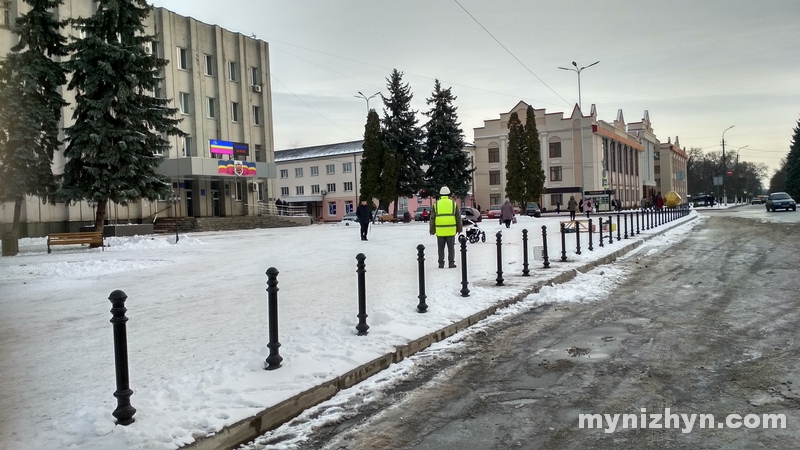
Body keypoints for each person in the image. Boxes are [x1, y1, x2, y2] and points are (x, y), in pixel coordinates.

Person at [429, 186, 462, 268]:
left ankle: (441, 264)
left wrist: (432, 230)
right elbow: (458, 217)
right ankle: (451, 263)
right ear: (449, 194)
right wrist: (459, 228)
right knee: (451, 248)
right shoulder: (453, 204)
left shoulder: (436, 204)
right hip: (451, 230)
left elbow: (432, 218)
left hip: (440, 230)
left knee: (440, 248)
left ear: (440, 194)